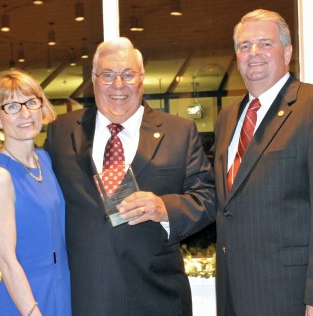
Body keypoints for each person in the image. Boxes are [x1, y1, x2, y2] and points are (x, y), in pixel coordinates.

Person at [44, 37, 215, 316]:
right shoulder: (60, 132)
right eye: (108, 75)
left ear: (142, 78)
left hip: (157, 296)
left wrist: (165, 208)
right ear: (94, 79)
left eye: (128, 74)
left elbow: (207, 197)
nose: (118, 85)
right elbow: (40, 193)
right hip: (84, 295)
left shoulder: (179, 132)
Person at [213, 9, 313, 316]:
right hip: (235, 296)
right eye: (244, 46)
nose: (253, 53)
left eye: (265, 43)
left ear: (288, 52)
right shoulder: (228, 118)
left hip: (296, 299)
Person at [0, 69, 71, 316]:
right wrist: (32, 312)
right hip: (27, 299)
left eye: (31, 102)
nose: (25, 113)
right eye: (11, 106)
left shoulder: (45, 159)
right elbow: (6, 260)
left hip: (62, 287)